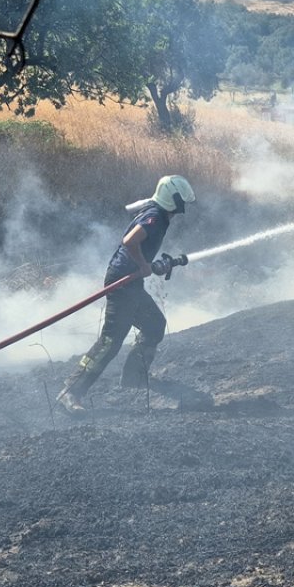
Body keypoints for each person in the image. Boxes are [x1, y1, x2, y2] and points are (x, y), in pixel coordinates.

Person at [56, 175, 196, 414]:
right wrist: (143, 265)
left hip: (131, 284)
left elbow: (139, 248)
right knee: (110, 342)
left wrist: (152, 266)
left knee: (154, 325)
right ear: (173, 201)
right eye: (181, 203)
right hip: (122, 283)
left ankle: (134, 377)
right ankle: (70, 392)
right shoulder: (154, 217)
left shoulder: (156, 213)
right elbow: (130, 241)